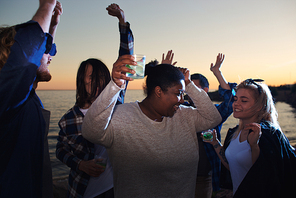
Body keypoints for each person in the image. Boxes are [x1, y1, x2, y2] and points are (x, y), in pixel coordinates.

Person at [81, 54, 223, 197]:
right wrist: (114, 85)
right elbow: (90, 132)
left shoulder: (184, 115)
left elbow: (213, 118)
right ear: (158, 91)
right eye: (179, 93)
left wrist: (189, 84)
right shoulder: (122, 117)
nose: (181, 100)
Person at [56, 4, 133, 198]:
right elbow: (60, 150)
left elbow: (126, 59)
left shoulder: (115, 102)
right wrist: (80, 164)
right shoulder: (68, 120)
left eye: (102, 77)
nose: (98, 82)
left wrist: (122, 22)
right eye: (92, 77)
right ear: (82, 81)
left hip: (118, 188)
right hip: (83, 190)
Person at [0, 1, 62, 197]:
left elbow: (36, 51)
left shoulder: (28, 98)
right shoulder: (8, 100)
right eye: (44, 51)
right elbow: (27, 54)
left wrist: (52, 27)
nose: (51, 56)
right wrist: (47, 5)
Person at [204, 79, 296, 197]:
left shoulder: (268, 134)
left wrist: (254, 146)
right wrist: (215, 143)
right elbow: (232, 164)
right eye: (236, 99)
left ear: (259, 106)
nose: (236, 103)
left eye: (244, 100)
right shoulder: (234, 132)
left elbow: (266, 174)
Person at [183, 53, 236, 198]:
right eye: (186, 87)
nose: (188, 91)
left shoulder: (215, 112)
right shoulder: (181, 110)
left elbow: (231, 102)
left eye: (193, 87)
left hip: (204, 177)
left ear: (205, 90)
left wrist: (217, 72)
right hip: (180, 175)